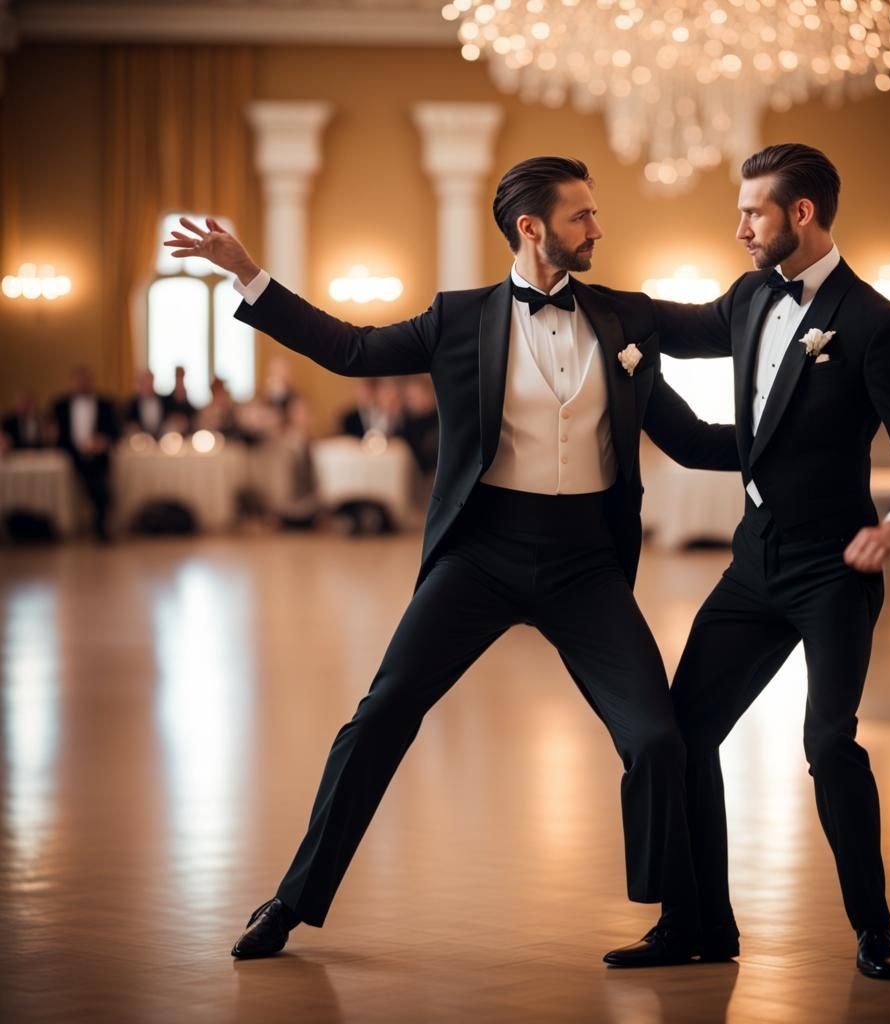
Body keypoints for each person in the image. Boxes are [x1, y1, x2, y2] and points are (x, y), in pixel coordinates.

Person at [165, 155, 740, 962]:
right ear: (531, 228)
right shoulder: (460, 318)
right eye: (582, 216)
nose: (598, 228)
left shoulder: (628, 319)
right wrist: (249, 275)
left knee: (654, 738)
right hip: (481, 554)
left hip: (586, 563)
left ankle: (680, 921)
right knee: (380, 717)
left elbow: (699, 406)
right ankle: (291, 901)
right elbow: (353, 351)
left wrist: (795, 435)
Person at [603, 144, 890, 980]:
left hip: (837, 567)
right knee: (684, 732)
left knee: (828, 742)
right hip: (754, 563)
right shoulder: (752, 295)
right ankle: (699, 925)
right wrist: (589, 314)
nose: (739, 228)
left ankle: (872, 926)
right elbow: (674, 336)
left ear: (801, 214)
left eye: (753, 211)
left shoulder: (875, 323)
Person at [52, 366, 121, 541]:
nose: (82, 383)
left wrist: (102, 442)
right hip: (71, 456)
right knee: (94, 487)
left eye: (85, 379)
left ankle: (100, 527)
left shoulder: (105, 404)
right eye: (78, 379)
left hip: (98, 456)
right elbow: (55, 435)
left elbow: (115, 432)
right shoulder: (59, 405)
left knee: (102, 488)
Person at [123, 369, 167, 438]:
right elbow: (127, 424)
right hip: (140, 442)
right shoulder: (132, 403)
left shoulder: (164, 401)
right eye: (144, 382)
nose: (147, 385)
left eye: (149, 381)